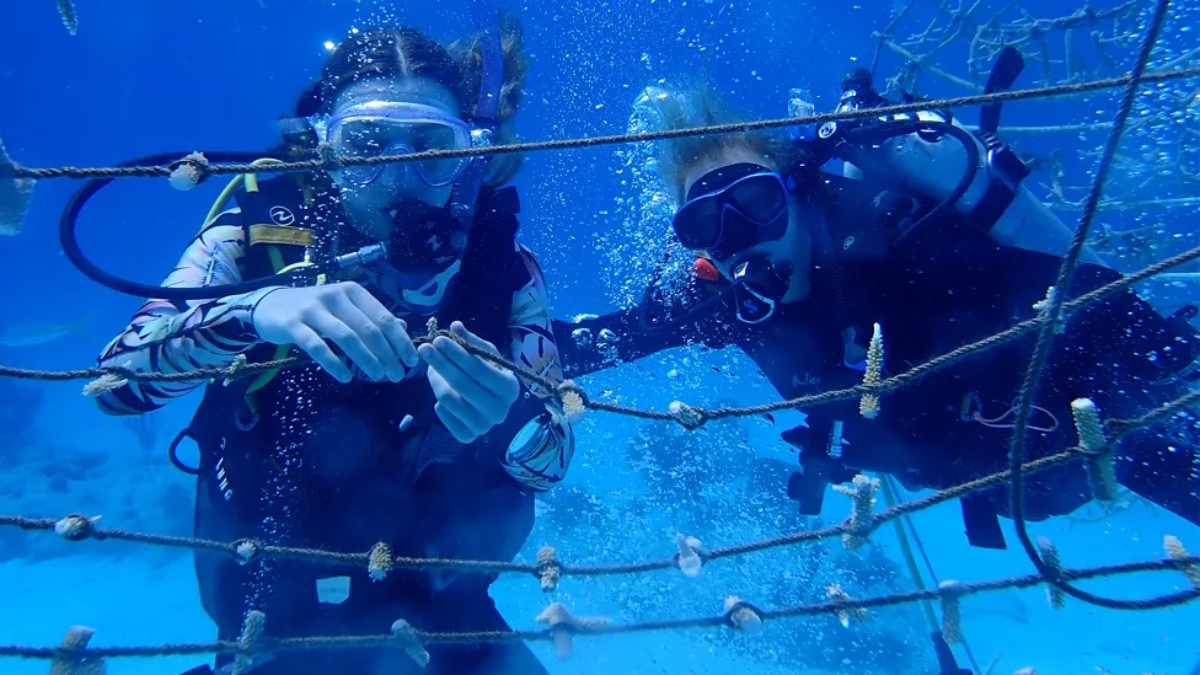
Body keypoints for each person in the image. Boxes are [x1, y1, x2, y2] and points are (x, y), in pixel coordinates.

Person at [91, 12, 573, 675]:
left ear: (468, 156)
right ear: (324, 151)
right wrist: (255, 308)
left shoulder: (505, 265)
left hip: (436, 592)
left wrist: (512, 417)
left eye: (431, 147)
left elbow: (556, 452)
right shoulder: (257, 230)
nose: (401, 178)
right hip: (270, 590)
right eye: (367, 146)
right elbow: (118, 384)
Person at [554, 66, 1200, 554]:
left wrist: (1151, 349)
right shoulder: (717, 302)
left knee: (1153, 442)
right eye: (705, 221)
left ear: (797, 195)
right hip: (977, 477)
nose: (739, 231)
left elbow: (1064, 288)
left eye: (755, 202)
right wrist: (489, 345)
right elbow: (602, 340)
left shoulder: (897, 244)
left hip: (1078, 423)